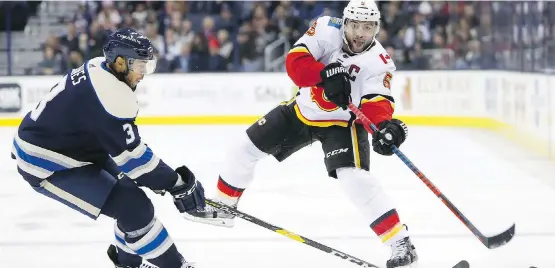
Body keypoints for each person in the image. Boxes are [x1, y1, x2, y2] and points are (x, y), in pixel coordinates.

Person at [186, 1, 417, 267]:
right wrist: (324, 74)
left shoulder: (380, 62)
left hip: (341, 124)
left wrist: (384, 126)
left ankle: (400, 241)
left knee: (355, 180)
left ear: (376, 29)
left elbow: (377, 103)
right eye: (355, 25)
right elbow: (294, 63)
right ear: (345, 23)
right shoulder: (324, 28)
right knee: (242, 148)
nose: (360, 33)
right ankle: (224, 206)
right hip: (301, 111)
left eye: (367, 27)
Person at [11, 28, 205, 268]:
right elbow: (137, 163)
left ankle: (126, 264)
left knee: (135, 206)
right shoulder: (112, 93)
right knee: (133, 207)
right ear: (121, 62)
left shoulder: (98, 66)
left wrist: (169, 182)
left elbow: (130, 156)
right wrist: (177, 183)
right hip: (46, 162)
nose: (143, 74)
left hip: (72, 148)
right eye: (140, 66)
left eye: (147, 66)